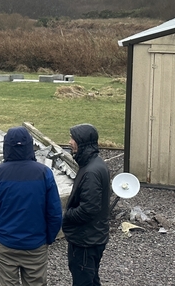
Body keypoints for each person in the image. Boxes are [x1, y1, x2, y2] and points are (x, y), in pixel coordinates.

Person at [0, 126, 63, 286]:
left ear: (6, 146)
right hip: (36, 245)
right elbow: (55, 212)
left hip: (4, 244)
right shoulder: (44, 173)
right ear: (30, 145)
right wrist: (48, 238)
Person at [62, 123, 110, 286]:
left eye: (73, 139)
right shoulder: (95, 164)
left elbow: (89, 209)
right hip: (93, 237)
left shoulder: (91, 172)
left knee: (83, 280)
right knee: (91, 279)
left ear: (82, 142)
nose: (69, 142)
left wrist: (66, 215)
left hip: (86, 241)